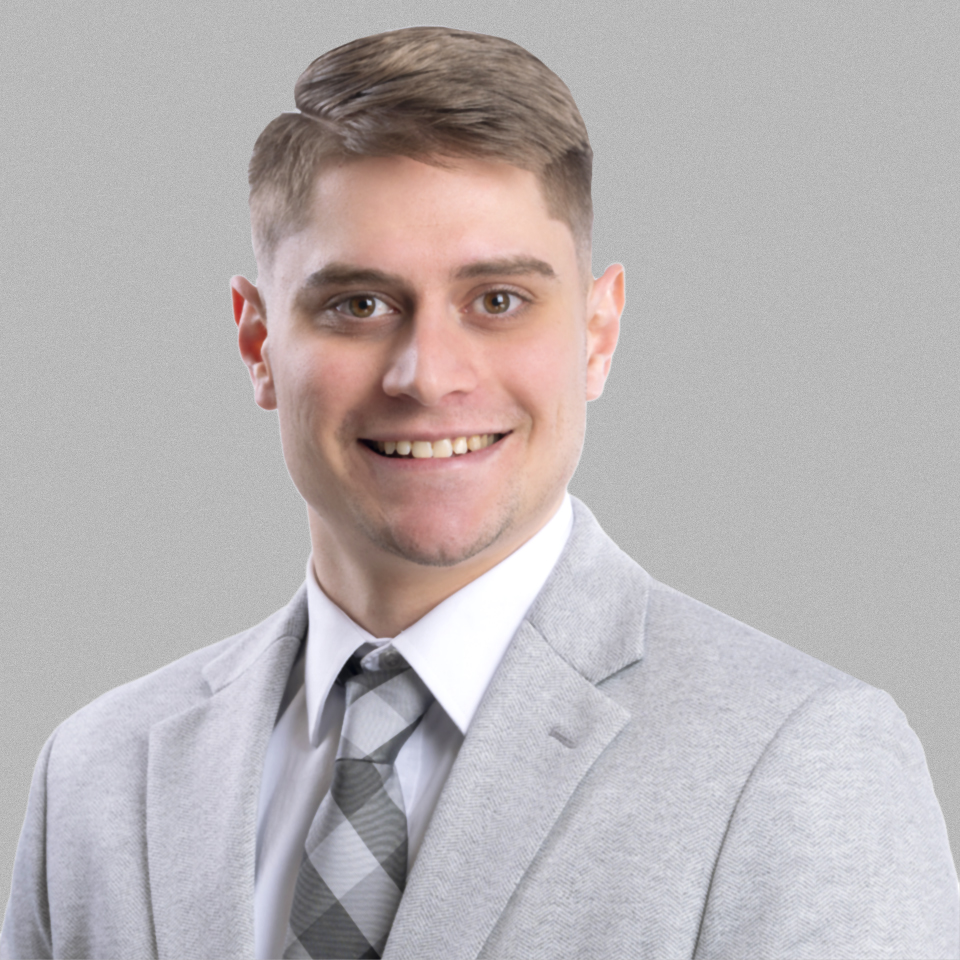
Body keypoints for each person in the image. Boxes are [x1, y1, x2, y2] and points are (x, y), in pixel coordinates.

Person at [1, 25, 957, 960]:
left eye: (498, 301)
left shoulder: (799, 759)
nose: (427, 375)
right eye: (358, 304)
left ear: (597, 334)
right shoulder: (98, 772)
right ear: (258, 344)